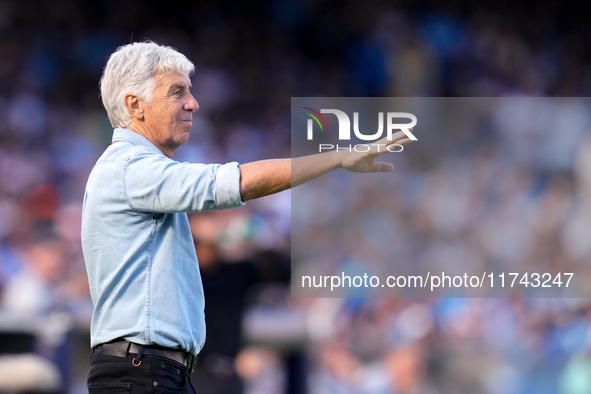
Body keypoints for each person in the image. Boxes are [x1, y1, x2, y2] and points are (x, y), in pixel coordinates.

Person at [81, 41, 413, 393]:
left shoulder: (133, 171)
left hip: (152, 371)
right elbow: (236, 182)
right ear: (135, 104)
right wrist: (336, 158)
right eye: (176, 92)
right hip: (140, 371)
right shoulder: (130, 168)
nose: (193, 103)